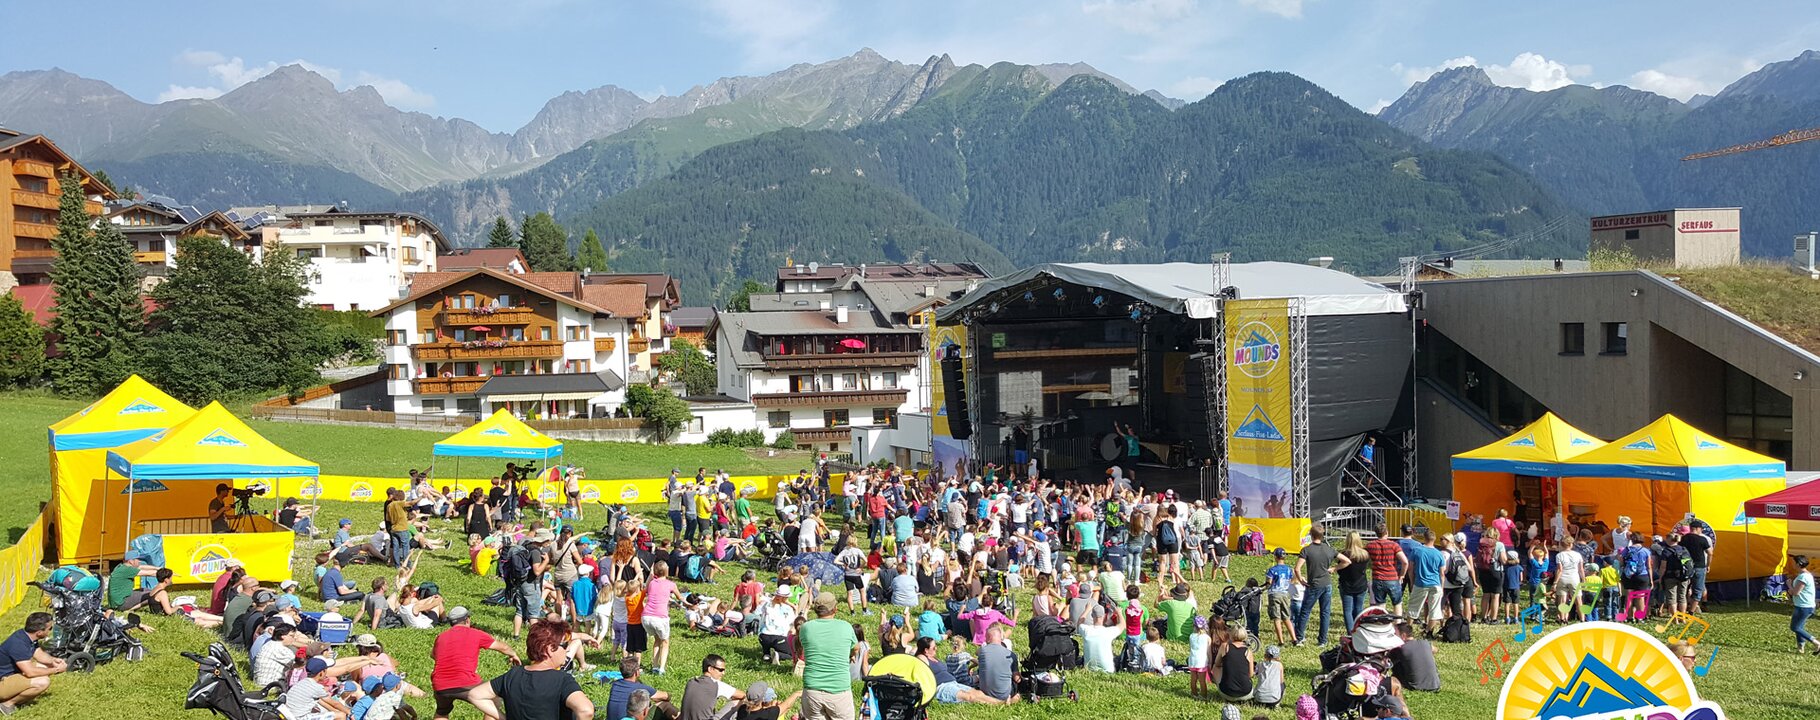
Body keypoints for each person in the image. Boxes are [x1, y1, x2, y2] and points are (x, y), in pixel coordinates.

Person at [491, 619, 594, 720]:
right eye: (564, 645)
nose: (567, 650)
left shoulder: (512, 674)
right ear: (550, 649)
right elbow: (586, 711)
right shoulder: (562, 679)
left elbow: (476, 695)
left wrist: (503, 717)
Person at [430, 606, 520, 720]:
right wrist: (513, 654)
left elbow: (433, 655)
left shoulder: (441, 636)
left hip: (440, 684)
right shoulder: (475, 633)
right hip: (465, 681)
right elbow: (503, 647)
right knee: (493, 699)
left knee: (442, 712)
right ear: (467, 620)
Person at [799, 592, 857, 720]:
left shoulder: (806, 628)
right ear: (835, 608)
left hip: (812, 689)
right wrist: (850, 654)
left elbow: (803, 647)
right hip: (839, 689)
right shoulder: (846, 627)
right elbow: (856, 648)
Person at [0, 613, 65, 714]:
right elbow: (30, 672)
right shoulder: (18, 644)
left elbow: (39, 654)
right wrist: (56, 670)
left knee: (44, 667)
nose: (50, 631)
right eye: (50, 628)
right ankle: (7, 704)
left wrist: (54, 661)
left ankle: (18, 697)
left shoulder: (27, 636)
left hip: (9, 675)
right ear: (39, 632)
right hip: (2, 682)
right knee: (43, 681)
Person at [915, 637, 1004, 705]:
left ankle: (999, 701)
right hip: (942, 687)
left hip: (953, 683)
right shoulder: (922, 657)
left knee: (977, 692)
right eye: (934, 647)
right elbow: (918, 667)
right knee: (969, 697)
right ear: (926, 650)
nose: (936, 649)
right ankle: (1002, 703)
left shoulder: (933, 658)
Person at [1294, 526, 1337, 646]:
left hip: (1313, 585)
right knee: (1325, 612)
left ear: (1311, 535)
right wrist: (1334, 568)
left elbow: (1297, 569)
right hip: (1327, 583)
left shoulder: (1307, 550)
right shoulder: (1329, 549)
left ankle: (1300, 638)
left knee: (1305, 611)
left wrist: (1301, 580)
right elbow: (1346, 561)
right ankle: (1322, 640)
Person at [643, 561, 684, 674]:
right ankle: (662, 668)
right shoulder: (671, 584)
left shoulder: (651, 583)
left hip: (646, 616)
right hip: (660, 617)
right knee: (665, 642)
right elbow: (680, 597)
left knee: (657, 640)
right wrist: (689, 605)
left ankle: (654, 666)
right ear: (667, 571)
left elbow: (646, 591)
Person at [679, 654, 745, 720]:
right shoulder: (717, 684)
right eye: (721, 670)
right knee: (739, 701)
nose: (723, 673)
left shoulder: (691, 682)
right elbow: (743, 695)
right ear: (710, 669)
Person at [284, 658, 353, 720]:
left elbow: (321, 701)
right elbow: (335, 704)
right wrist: (350, 713)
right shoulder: (316, 687)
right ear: (321, 673)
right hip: (300, 717)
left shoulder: (301, 683)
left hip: (290, 715)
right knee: (341, 715)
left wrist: (334, 711)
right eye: (326, 671)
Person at [606, 657, 673, 720]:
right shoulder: (639, 688)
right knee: (665, 705)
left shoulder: (615, 684)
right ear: (636, 672)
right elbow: (666, 696)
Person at [1406, 530, 1446, 635]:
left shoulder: (1417, 551)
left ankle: (1408, 630)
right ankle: (1429, 631)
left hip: (1420, 583)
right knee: (1435, 609)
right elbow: (1442, 573)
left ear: (1424, 538)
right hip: (1435, 583)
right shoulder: (1439, 554)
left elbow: (1410, 569)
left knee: (1413, 607)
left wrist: (1412, 581)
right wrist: (1441, 587)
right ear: (1434, 539)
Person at [1365, 525, 1407, 615]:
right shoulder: (1394, 545)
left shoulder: (1370, 545)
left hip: (1377, 578)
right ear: (1387, 533)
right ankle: (1398, 625)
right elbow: (1405, 562)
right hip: (1392, 578)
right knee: (1397, 603)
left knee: (1380, 604)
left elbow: (1363, 558)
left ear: (1376, 533)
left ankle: (1382, 624)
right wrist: (1402, 575)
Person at [1388, 622, 1441, 692]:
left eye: (1395, 634)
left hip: (1414, 686)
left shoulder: (1400, 648)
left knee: (1396, 662)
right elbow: (1435, 650)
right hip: (1435, 686)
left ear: (1403, 635)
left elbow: (1387, 661)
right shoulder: (1425, 643)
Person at [975, 623, 1020, 701]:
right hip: (1005, 695)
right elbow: (1017, 678)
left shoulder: (982, 652)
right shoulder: (1011, 654)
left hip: (985, 694)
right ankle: (1012, 699)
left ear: (988, 638)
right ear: (1001, 638)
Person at [1264, 549, 1298, 645]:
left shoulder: (1272, 570)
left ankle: (1281, 641)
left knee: (1276, 618)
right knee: (1286, 617)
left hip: (1274, 594)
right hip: (1285, 594)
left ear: (1275, 557)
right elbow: (1293, 578)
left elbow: (1269, 583)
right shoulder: (1288, 569)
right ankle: (1294, 638)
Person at [1213, 626, 1254, 702]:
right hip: (1246, 693)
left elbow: (1217, 663)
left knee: (1215, 668)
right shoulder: (1248, 652)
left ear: (1231, 635)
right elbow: (1251, 674)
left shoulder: (1225, 647)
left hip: (1226, 692)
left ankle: (1221, 684)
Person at [1791, 555, 1817, 655]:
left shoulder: (1803, 577)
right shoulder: (1806, 575)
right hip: (1803, 605)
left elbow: (1796, 592)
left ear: (1798, 564)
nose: (1793, 564)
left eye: (1794, 562)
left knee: (1795, 627)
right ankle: (1800, 648)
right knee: (1799, 627)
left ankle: (1816, 642)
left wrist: (1789, 585)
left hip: (1804, 606)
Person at [1253, 644, 1284, 708]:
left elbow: (1254, 673)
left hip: (1259, 699)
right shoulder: (1279, 665)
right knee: (1283, 685)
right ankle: (1277, 704)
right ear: (1278, 657)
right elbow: (1281, 681)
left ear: (1265, 655)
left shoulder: (1260, 664)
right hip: (1274, 700)